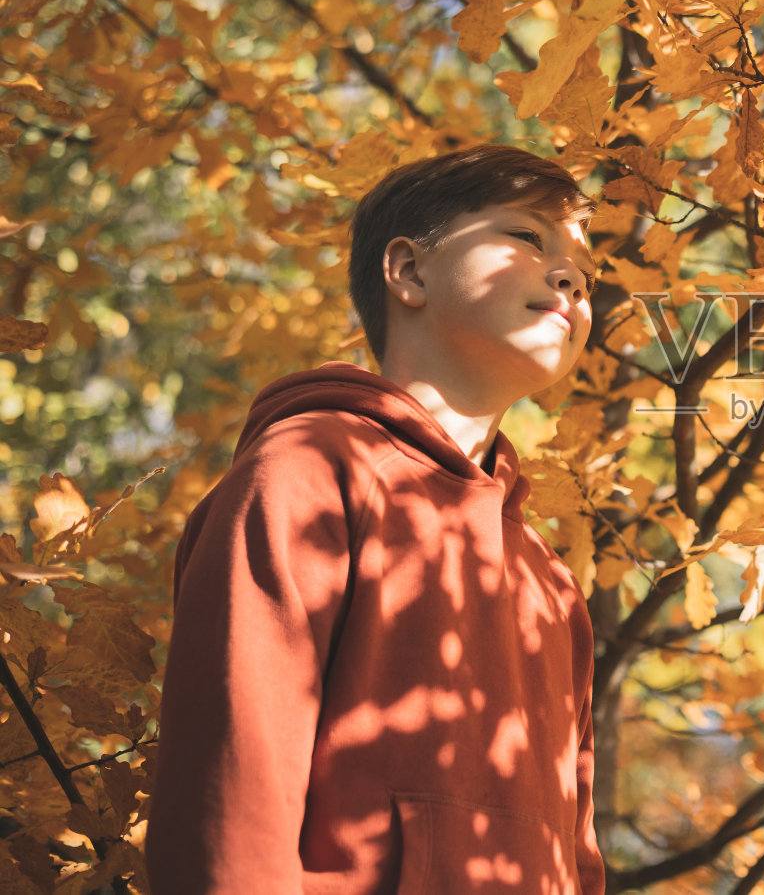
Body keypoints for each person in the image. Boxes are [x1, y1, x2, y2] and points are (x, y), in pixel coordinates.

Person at [146, 145, 606, 893]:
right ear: (409, 272)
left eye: (585, 271)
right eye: (528, 237)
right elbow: (232, 802)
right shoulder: (309, 472)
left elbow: (577, 859)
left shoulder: (552, 584)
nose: (571, 277)